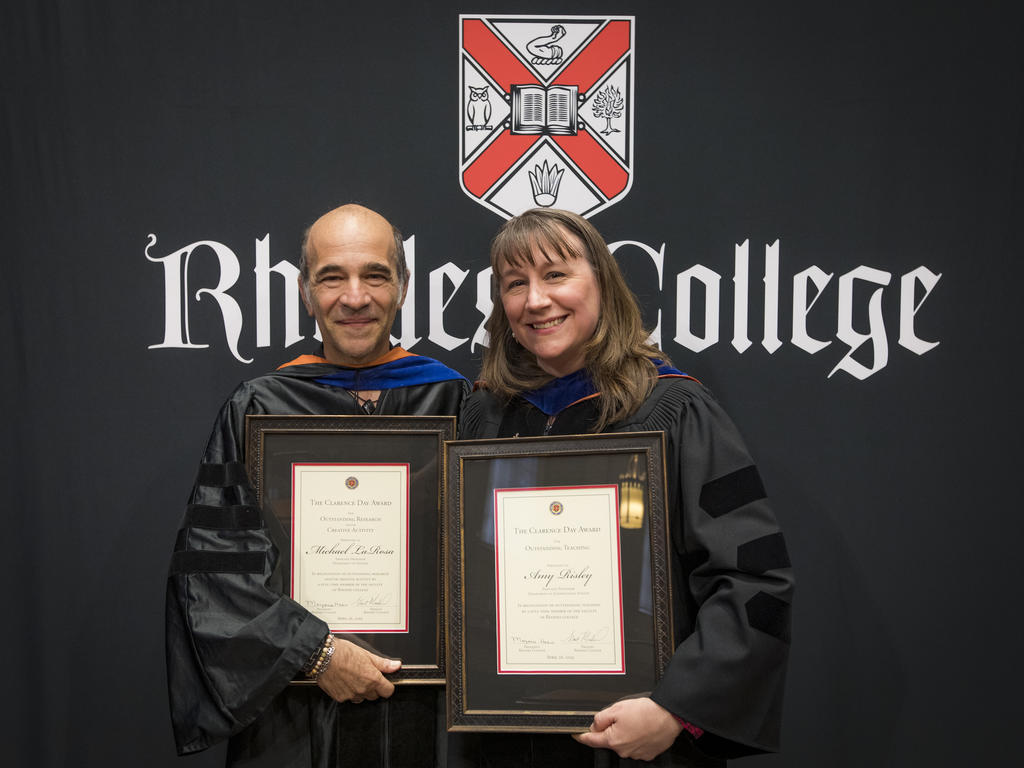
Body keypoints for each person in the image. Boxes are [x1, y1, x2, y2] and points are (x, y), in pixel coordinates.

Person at [452, 209, 793, 767]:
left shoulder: (675, 411)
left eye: (556, 275)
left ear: (602, 284)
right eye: (516, 284)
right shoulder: (484, 417)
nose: (535, 300)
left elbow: (754, 577)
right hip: (503, 735)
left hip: (637, 742)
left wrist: (675, 710)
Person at [166, 204, 468, 767]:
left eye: (375, 274)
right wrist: (318, 654)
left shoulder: (456, 403)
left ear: (402, 286)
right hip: (297, 716)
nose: (355, 297)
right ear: (306, 292)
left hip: (430, 711)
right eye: (332, 277)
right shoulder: (259, 408)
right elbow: (214, 572)